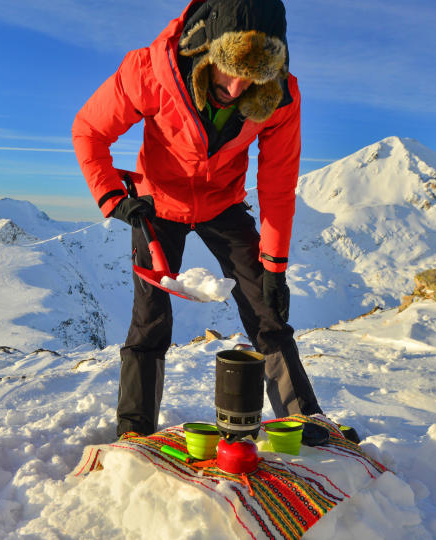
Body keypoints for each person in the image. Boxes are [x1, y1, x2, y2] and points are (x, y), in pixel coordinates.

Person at [72, 0, 323, 438]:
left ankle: (303, 420)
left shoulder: (280, 98)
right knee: (149, 321)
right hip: (157, 204)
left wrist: (275, 267)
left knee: (267, 310)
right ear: (208, 49)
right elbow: (89, 130)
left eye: (255, 74)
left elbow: (278, 187)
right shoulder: (152, 71)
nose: (240, 84)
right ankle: (135, 432)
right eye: (232, 67)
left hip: (223, 204)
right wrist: (113, 197)